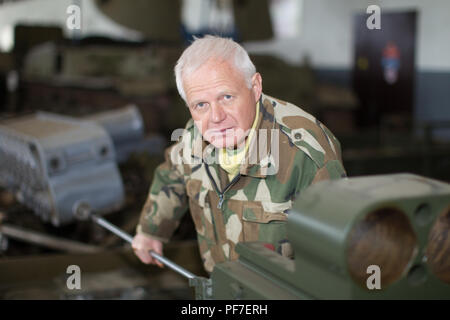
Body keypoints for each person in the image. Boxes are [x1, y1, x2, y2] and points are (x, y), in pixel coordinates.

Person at [132, 35, 346, 273]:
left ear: (255, 88)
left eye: (226, 97)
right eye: (200, 104)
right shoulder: (195, 137)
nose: (216, 117)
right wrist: (151, 231)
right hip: (220, 283)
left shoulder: (305, 153)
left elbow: (336, 254)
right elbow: (172, 174)